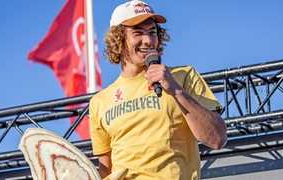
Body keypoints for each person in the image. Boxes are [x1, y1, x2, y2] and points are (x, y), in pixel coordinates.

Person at [89, 0, 227, 179]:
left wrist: (175, 90)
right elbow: (105, 171)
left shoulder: (183, 76)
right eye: (138, 32)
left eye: (152, 33)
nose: (148, 40)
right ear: (118, 39)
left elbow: (217, 138)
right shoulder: (99, 102)